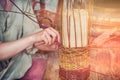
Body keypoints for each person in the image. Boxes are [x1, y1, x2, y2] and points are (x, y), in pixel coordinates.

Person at [0, 0, 61, 80]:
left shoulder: (23, 2)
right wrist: (34, 37)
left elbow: (31, 36)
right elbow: (32, 38)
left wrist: (49, 42)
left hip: (18, 68)